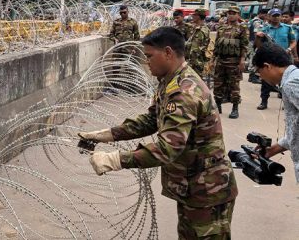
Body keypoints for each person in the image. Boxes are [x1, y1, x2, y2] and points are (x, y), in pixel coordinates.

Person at [80, 26, 238, 239]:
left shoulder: (184, 92)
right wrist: (109, 134)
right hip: (193, 185)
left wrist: (116, 160)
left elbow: (168, 148)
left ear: (168, 53)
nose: (147, 62)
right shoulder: (170, 81)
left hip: (208, 189)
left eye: (150, 56)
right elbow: (152, 119)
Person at [251, 43, 299, 184]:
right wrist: (275, 148)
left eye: (259, 72)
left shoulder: (292, 83)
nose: (261, 77)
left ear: (267, 66)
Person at [255, 8, 295, 110]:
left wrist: (289, 49)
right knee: (266, 81)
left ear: (280, 16)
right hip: (268, 58)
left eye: (278, 15)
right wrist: (258, 37)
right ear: (269, 17)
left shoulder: (288, 28)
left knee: (285, 81)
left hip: (283, 58)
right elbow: (258, 44)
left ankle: (287, 102)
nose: (276, 18)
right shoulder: (265, 29)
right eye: (274, 15)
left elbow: (293, 41)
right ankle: (264, 101)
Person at [212, 6, 247, 118]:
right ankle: (217, 106)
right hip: (221, 60)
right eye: (229, 13)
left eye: (233, 13)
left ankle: (235, 108)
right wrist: (213, 59)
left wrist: (242, 60)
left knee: (234, 86)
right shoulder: (221, 27)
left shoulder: (242, 28)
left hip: (234, 61)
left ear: (238, 15)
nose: (231, 15)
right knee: (217, 84)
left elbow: (244, 46)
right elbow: (217, 44)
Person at [185, 8, 210, 77]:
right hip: (192, 62)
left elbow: (195, 49)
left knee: (195, 83)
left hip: (196, 63)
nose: (192, 16)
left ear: (198, 16)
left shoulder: (202, 30)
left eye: (194, 15)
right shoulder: (195, 28)